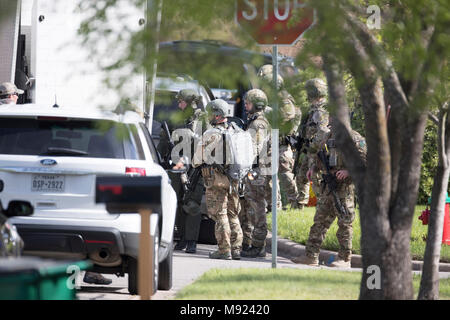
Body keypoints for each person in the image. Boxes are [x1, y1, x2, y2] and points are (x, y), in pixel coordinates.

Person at [192, 99, 243, 260]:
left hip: (216, 179)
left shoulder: (210, 134)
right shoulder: (236, 130)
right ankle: (236, 249)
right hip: (234, 178)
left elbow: (197, 160)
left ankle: (224, 250)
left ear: (216, 115)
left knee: (220, 214)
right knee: (233, 214)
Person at [158, 88, 206, 254]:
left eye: (181, 101)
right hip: (177, 165)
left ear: (190, 102)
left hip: (196, 166)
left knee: (193, 204)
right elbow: (165, 139)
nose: (178, 104)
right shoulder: (176, 118)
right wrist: (161, 159)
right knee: (177, 201)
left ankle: (192, 241)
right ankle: (182, 238)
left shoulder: (203, 120)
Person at [257, 65, 302, 210]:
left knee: (286, 174)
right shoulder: (268, 99)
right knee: (269, 175)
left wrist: (268, 114)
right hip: (270, 143)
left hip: (282, 143)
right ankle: (275, 206)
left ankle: (296, 203)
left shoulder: (284, 99)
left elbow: (287, 116)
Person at [240, 89, 271, 258]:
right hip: (253, 169)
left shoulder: (259, 123)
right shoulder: (253, 121)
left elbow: (255, 148)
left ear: (257, 104)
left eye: (248, 103)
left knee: (258, 207)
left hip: (258, 170)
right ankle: (250, 242)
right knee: (249, 206)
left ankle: (259, 246)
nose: (245, 105)